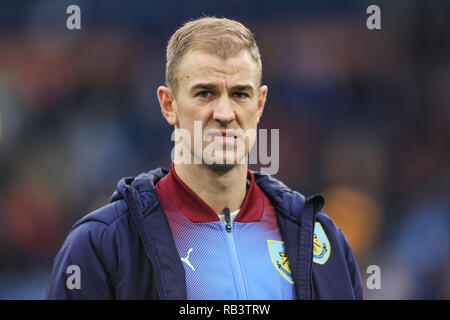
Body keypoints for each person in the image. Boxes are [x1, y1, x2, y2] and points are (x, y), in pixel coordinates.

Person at [45, 16, 362, 300]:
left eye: (240, 94)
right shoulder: (103, 245)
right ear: (168, 104)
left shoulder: (323, 241)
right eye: (204, 93)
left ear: (260, 103)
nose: (225, 114)